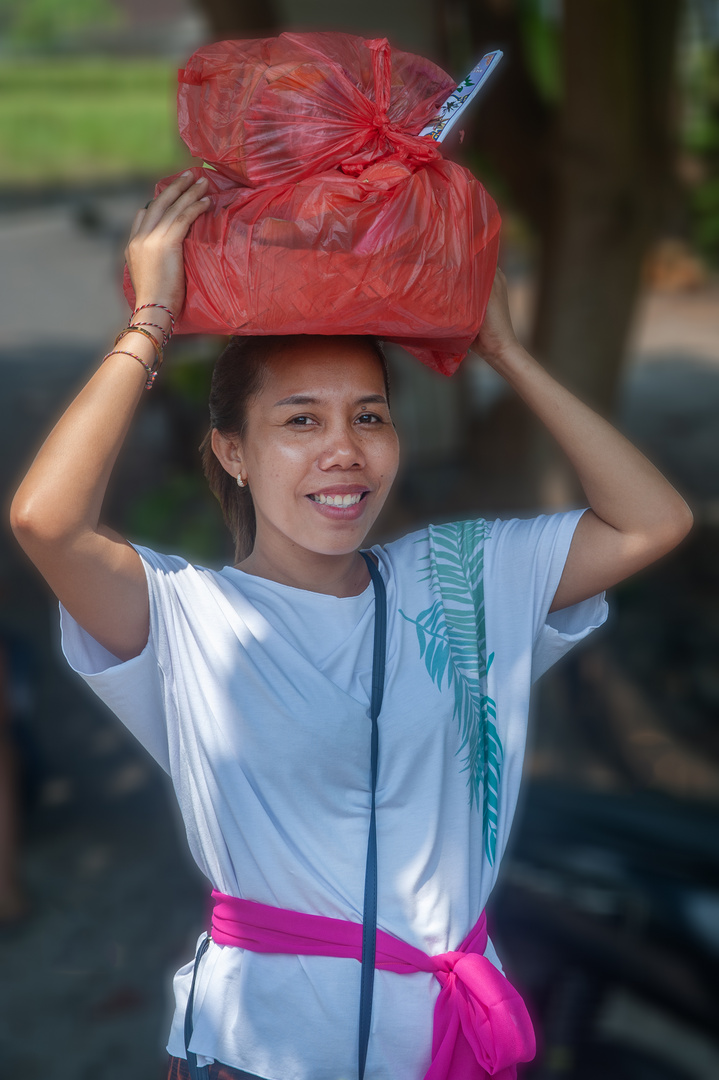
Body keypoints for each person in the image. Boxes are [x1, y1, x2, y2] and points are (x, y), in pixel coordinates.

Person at [10, 172, 693, 1080]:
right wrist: (152, 320)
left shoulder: (460, 578)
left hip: (447, 1045)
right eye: (300, 420)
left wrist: (507, 355)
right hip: (261, 1055)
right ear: (232, 452)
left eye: (367, 416)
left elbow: (653, 521)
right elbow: (44, 521)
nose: (344, 449)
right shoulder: (183, 616)